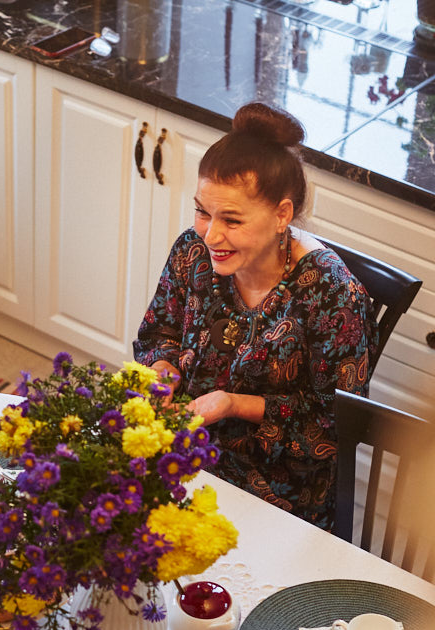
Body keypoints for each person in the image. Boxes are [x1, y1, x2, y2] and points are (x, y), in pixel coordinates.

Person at [133, 102, 376, 531]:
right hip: (184, 450)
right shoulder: (194, 252)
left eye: (232, 219)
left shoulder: (331, 293)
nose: (211, 234)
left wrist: (231, 405)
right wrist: (163, 368)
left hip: (278, 490)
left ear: (282, 215)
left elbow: (329, 428)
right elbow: (159, 331)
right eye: (203, 211)